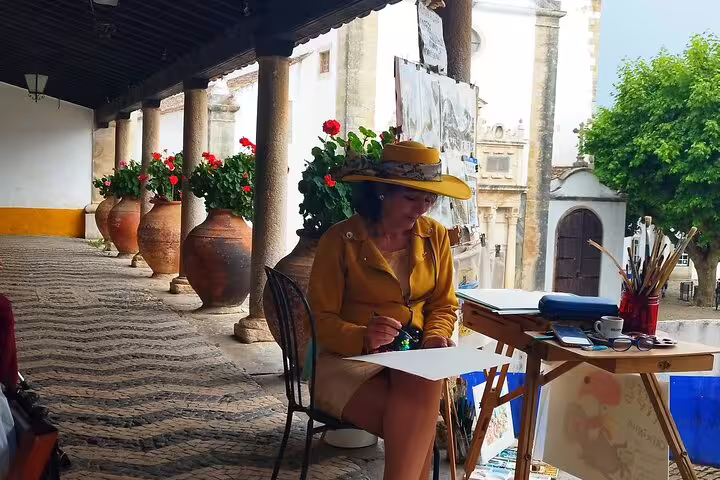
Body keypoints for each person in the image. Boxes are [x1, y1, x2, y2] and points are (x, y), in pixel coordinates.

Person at [307, 140, 472, 480]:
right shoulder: (340, 241)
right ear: (382, 192)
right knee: (418, 420)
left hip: (410, 358)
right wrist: (363, 337)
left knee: (420, 385)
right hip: (347, 363)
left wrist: (436, 336)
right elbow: (319, 321)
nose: (421, 209)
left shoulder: (435, 237)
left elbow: (443, 304)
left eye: (429, 199)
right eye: (411, 198)